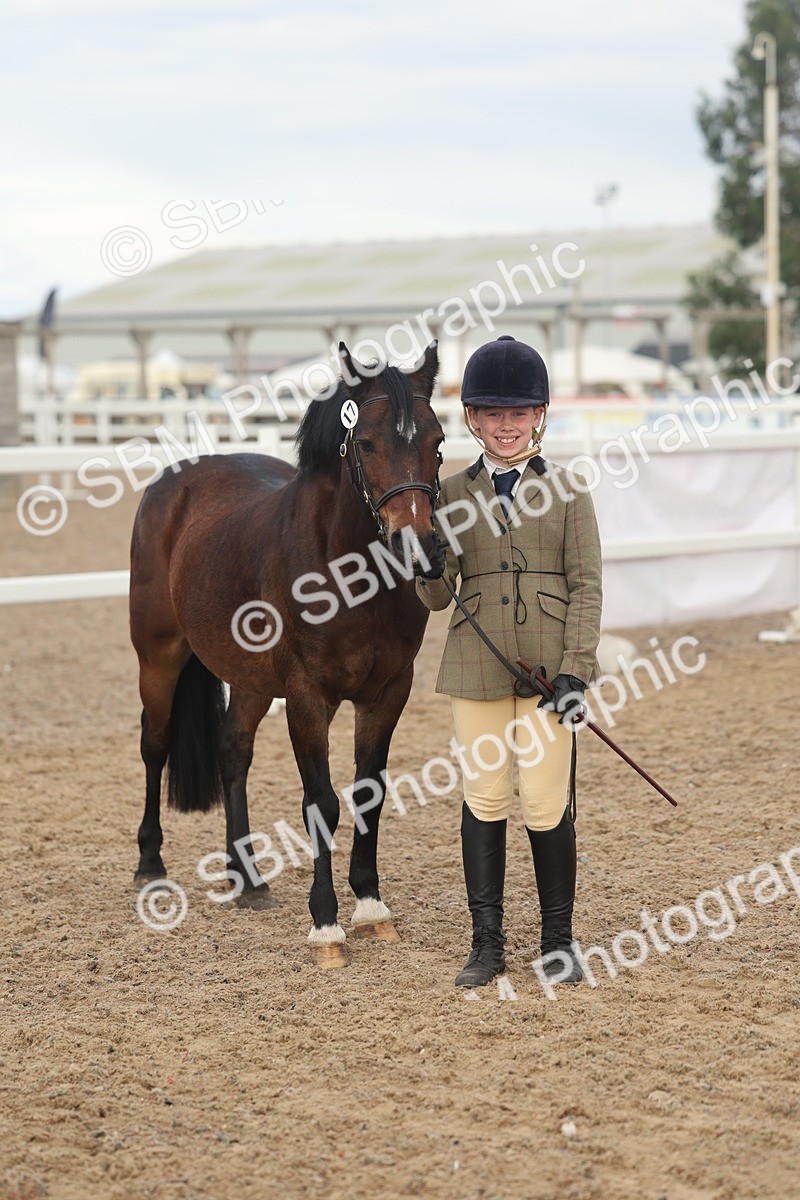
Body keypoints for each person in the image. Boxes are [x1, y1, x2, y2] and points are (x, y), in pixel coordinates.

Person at [417, 335, 603, 988]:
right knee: (484, 797)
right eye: (492, 413)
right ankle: (486, 942)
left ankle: (558, 941)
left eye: (517, 413)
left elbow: (587, 586)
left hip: (551, 673)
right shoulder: (448, 494)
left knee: (547, 803)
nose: (505, 425)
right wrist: (428, 565)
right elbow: (437, 599)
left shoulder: (570, 492)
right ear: (472, 417)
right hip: (477, 666)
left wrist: (577, 668)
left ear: (538, 415)